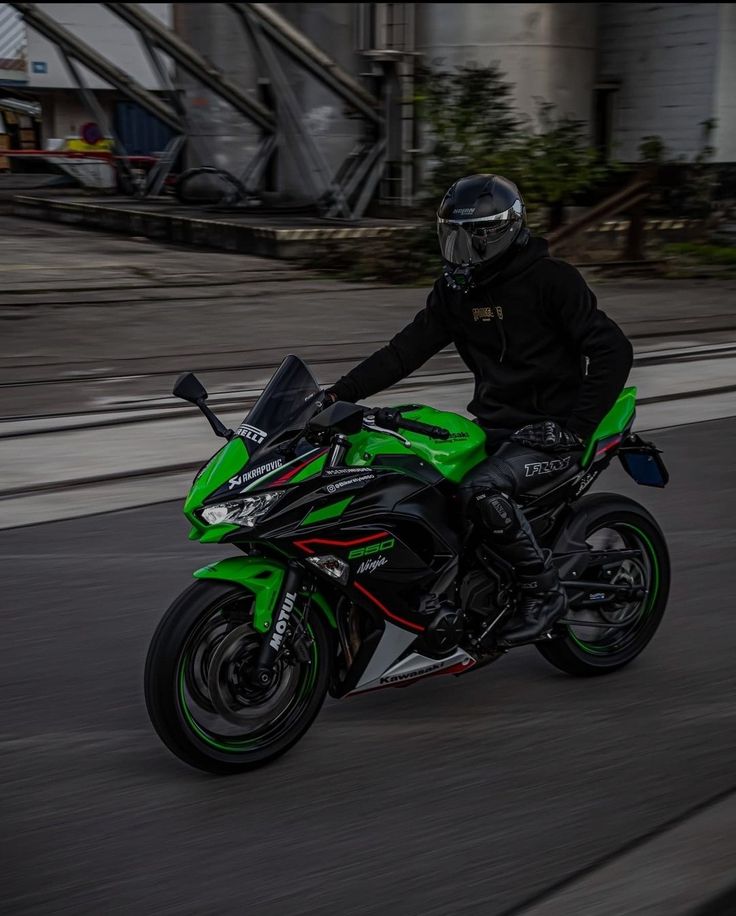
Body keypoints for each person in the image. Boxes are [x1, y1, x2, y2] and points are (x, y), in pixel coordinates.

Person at [325, 174, 633, 646]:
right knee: (409, 480)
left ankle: (543, 592)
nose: (456, 251)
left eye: (467, 240)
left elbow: (613, 350)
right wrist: (335, 395)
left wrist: (575, 428)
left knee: (482, 490)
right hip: (493, 428)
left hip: (552, 432)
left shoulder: (552, 281)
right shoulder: (457, 293)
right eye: (450, 237)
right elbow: (403, 352)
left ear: (499, 234)